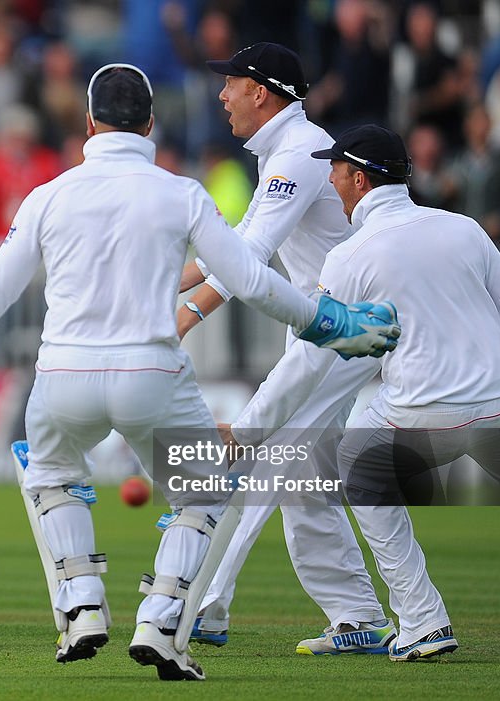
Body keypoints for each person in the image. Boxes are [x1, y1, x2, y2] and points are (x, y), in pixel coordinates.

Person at [0, 63, 401, 681]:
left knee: (51, 477)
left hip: (61, 377)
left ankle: (82, 607)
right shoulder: (182, 193)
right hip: (153, 374)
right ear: (150, 123)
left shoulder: (48, 195)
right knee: (204, 491)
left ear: (88, 123)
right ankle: (162, 621)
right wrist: (330, 323)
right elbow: (252, 280)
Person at [234, 123, 500, 661]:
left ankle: (422, 620)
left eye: (336, 170)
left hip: (418, 415)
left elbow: (307, 360)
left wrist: (250, 426)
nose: (332, 180)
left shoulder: (349, 256)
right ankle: (419, 619)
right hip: (498, 405)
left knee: (359, 465)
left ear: (359, 179)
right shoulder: (464, 229)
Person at [177, 42, 394, 655]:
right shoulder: (288, 150)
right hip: (324, 326)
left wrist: (181, 303)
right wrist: (182, 299)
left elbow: (246, 256)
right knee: (304, 483)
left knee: (265, 457)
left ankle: (204, 606)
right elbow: (247, 245)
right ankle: (355, 617)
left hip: (340, 329)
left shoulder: (299, 153)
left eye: (232, 84)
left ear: (262, 92)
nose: (222, 95)